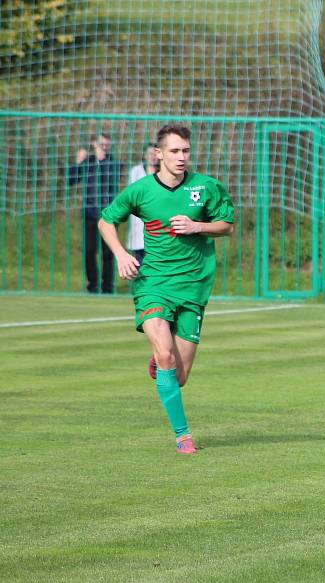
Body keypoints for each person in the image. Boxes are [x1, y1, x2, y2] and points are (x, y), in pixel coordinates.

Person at [98, 124, 235, 454]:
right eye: (174, 151)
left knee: (180, 375)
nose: (181, 157)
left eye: (186, 151)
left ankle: (163, 363)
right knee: (165, 355)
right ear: (158, 154)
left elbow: (227, 226)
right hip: (153, 284)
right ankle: (183, 436)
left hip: (194, 286)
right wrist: (120, 254)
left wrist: (197, 225)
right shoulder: (141, 190)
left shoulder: (206, 187)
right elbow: (105, 220)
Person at [67, 132, 124, 293]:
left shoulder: (114, 163)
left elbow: (115, 178)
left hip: (108, 215)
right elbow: (70, 180)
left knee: (108, 252)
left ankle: (107, 287)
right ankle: (92, 286)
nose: (104, 147)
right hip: (90, 213)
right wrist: (78, 162)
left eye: (107, 144)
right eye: (102, 144)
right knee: (90, 251)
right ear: (94, 144)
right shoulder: (87, 162)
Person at [126, 143, 160, 264]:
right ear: (145, 155)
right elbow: (132, 196)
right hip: (139, 222)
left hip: (159, 224)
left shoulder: (165, 172)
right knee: (140, 263)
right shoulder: (136, 171)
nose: (153, 157)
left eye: (155, 154)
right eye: (150, 154)